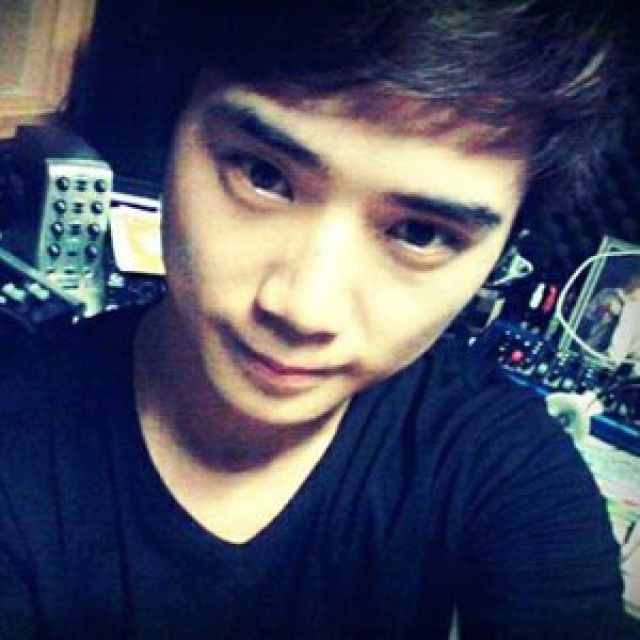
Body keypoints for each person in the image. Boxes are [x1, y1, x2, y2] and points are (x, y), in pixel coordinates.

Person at [1, 1, 637, 637]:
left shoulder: (506, 466)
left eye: (420, 233)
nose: (304, 309)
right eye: (262, 176)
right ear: (168, 132)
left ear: (500, 257)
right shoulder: (18, 427)